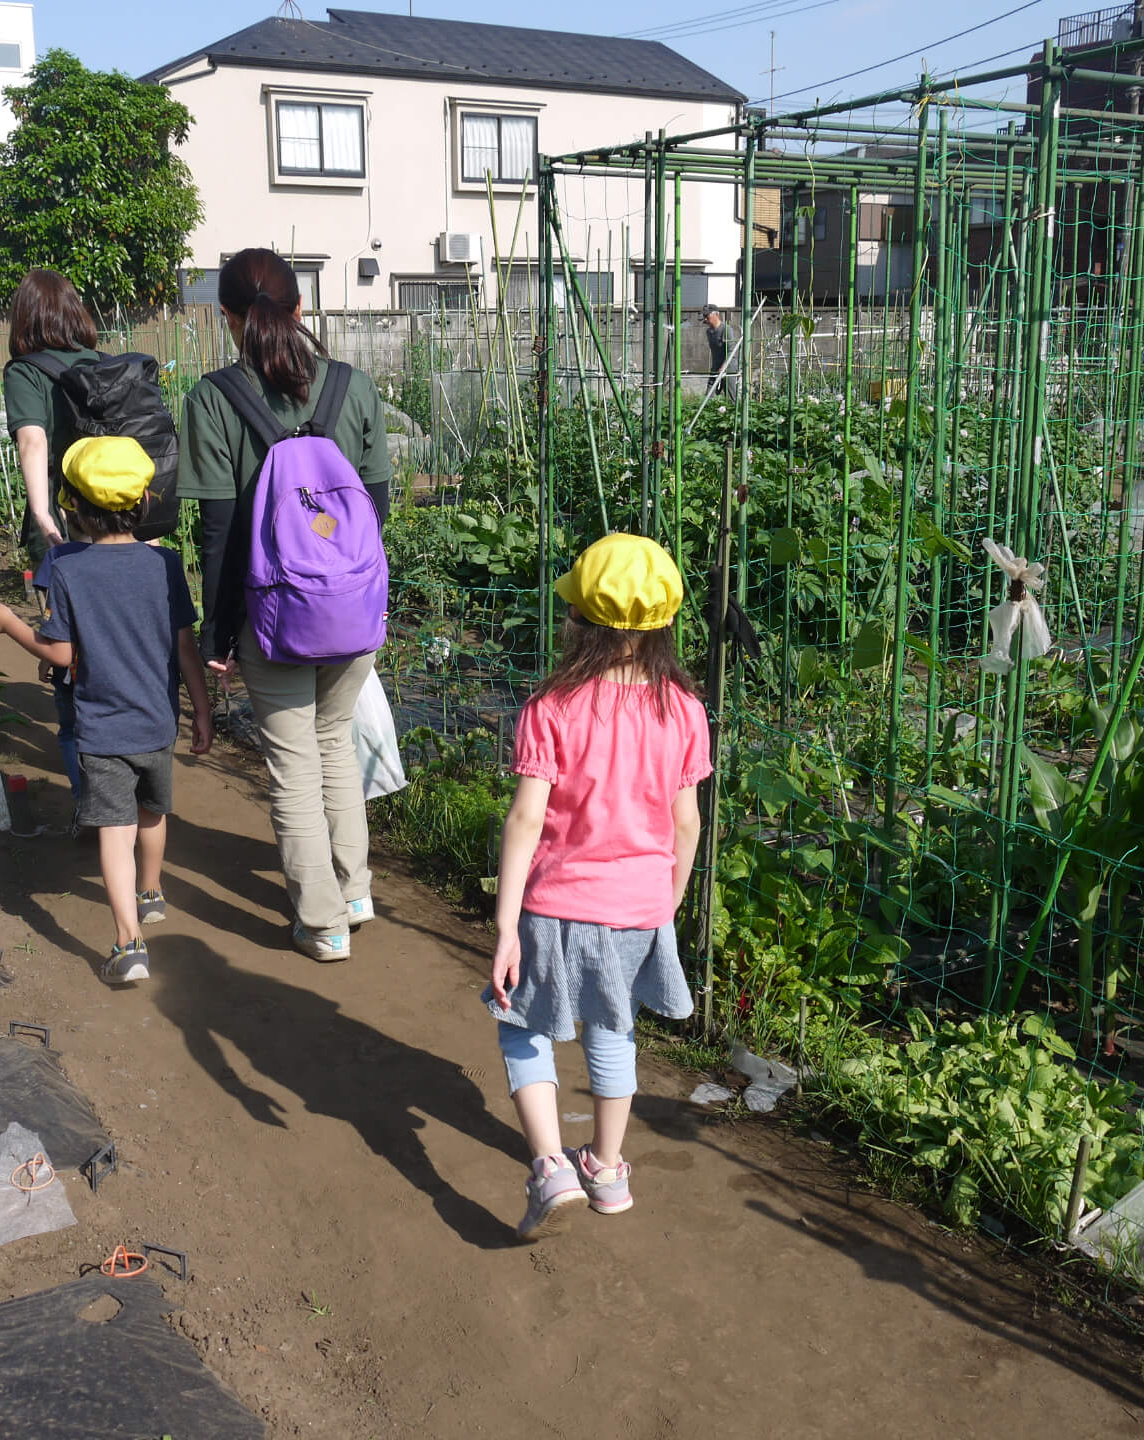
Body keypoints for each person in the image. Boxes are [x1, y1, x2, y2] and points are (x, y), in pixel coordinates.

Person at [486, 533, 710, 1240]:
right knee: (613, 1030)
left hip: (554, 903)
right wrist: (663, 906)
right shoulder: (684, 710)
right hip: (637, 907)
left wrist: (503, 925)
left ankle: (551, 1167)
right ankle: (608, 1171)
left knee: (523, 1025)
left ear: (579, 622)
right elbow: (687, 827)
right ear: (664, 627)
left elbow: (526, 820)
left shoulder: (552, 706)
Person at [181, 248, 393, 964]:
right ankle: (356, 891)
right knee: (335, 744)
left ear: (227, 319)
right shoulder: (352, 387)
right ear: (302, 308)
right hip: (353, 614)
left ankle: (323, 923)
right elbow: (376, 508)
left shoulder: (214, 398)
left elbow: (219, 532)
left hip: (271, 617)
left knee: (294, 764)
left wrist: (218, 633)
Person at [0, 436, 214, 984]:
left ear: (69, 504)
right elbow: (184, 647)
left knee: (114, 830)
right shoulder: (166, 564)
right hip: (157, 721)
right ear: (146, 499)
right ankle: (151, 893)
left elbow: (62, 654)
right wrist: (200, 710)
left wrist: (10, 624)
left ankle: (129, 945)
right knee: (153, 812)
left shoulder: (67, 566)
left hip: (102, 727)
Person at [2, 269, 102, 566]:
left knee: (59, 610)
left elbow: (32, 441)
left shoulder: (25, 372)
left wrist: (42, 516)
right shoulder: (102, 363)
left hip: (62, 508)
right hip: (113, 511)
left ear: (24, 317)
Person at [30, 538, 90, 827]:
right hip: (114, 671)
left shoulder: (59, 556)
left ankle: (82, 803)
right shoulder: (142, 555)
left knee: (70, 731)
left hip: (71, 667)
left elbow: (51, 619)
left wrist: (46, 660)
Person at [702, 305, 733, 397]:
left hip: (729, 368)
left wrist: (724, 367)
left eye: (707, 316)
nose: (705, 319)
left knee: (731, 397)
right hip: (715, 368)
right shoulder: (709, 332)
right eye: (704, 317)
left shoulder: (726, 329)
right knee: (709, 396)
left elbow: (731, 350)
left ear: (716, 315)